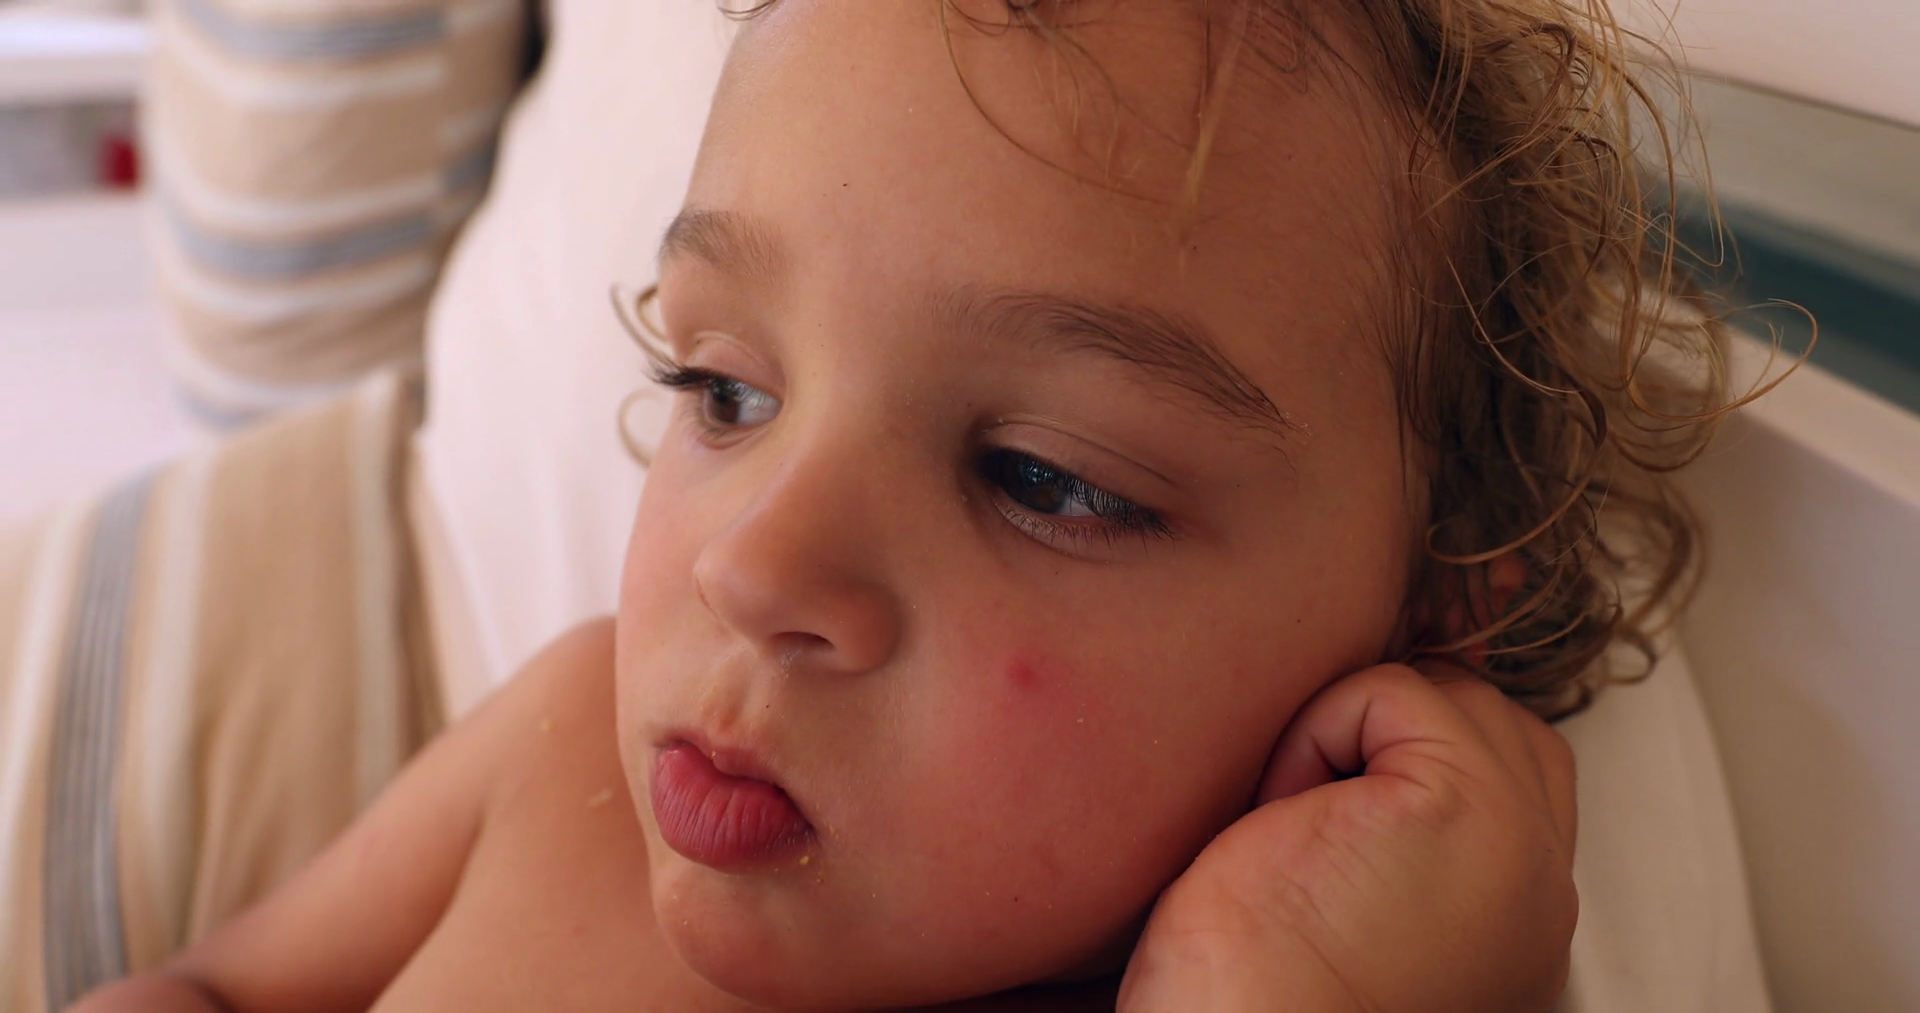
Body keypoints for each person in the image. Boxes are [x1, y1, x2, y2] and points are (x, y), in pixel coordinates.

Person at [75, 0, 1735, 1008]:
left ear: (1425, 621)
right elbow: (219, 986)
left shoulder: (1303, 974)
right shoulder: (566, 734)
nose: (750, 566)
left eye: (1044, 480)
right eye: (723, 391)